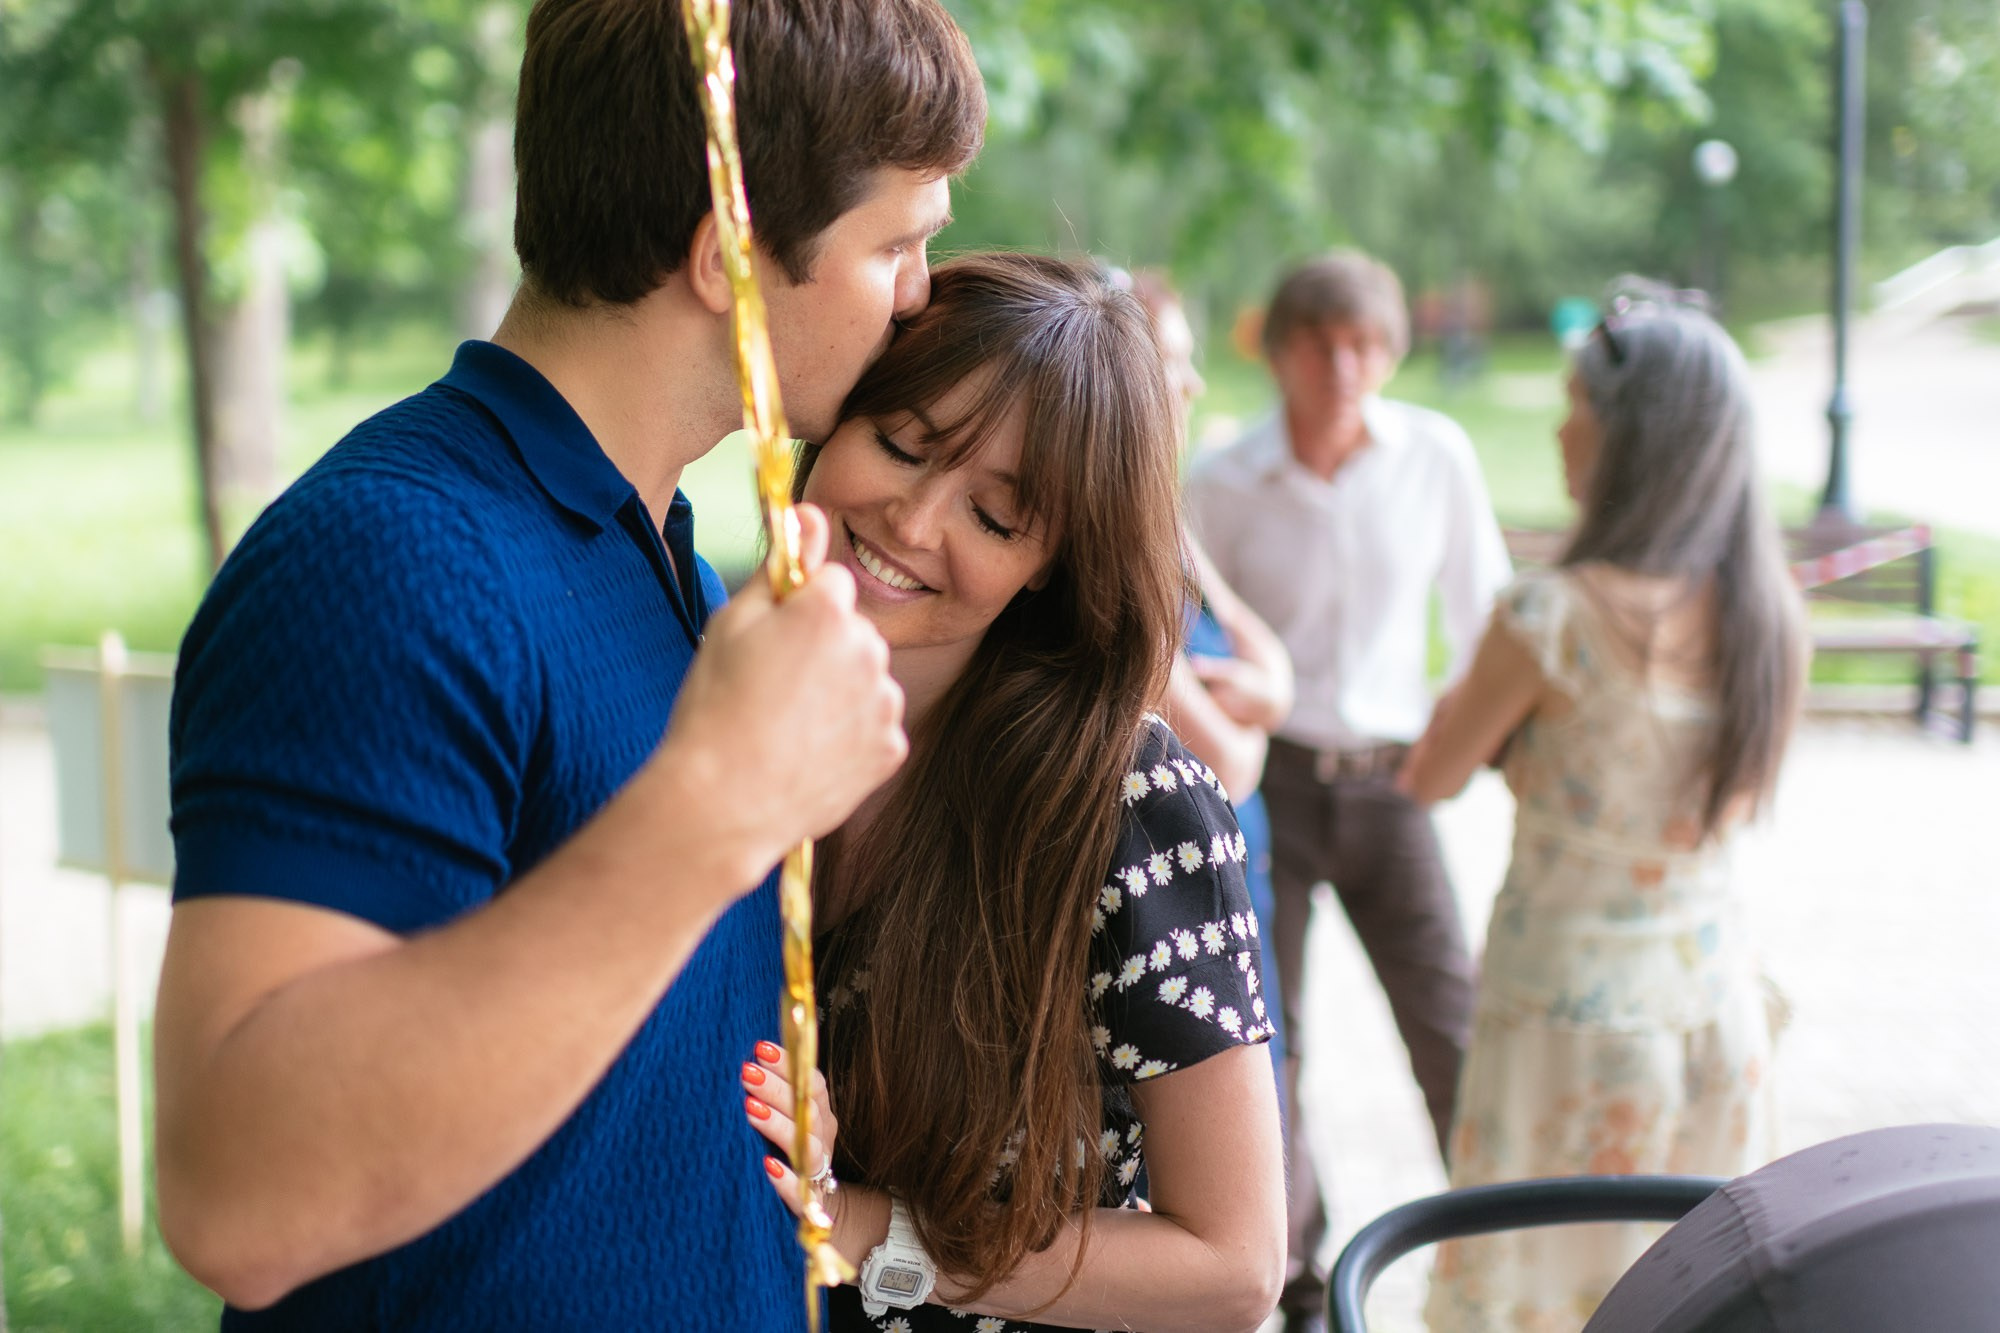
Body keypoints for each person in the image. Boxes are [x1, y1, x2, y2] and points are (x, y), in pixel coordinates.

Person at [152, 2, 984, 1327]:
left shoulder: (663, 553)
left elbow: (572, 994)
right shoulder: (393, 558)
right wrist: (719, 809)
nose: (921, 292)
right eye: (897, 243)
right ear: (727, 259)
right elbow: (234, 1197)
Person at [736, 253, 1286, 1333]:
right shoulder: (719, 689)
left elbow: (1233, 1264)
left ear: (1051, 560)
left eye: (993, 517)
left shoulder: (1130, 805)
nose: (911, 519)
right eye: (898, 443)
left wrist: (867, 1228)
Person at [1400, 289, 1808, 1330]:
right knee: (1689, 1297)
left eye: (1574, 398)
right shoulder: (1767, 618)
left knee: (1533, 1295)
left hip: (1566, 1023)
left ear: (1629, 435)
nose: (1557, 422)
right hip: (1714, 1005)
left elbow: (1427, 776)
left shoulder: (1550, 617)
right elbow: (1736, 797)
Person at [1186, 249, 1512, 1329]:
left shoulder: (1433, 458)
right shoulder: (1224, 480)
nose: (1341, 365)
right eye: (1318, 343)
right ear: (1276, 351)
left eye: (1364, 343)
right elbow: (1197, 629)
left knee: (1447, 1023)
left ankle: (1499, 1249)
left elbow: (1486, 621)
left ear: (1391, 350)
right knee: (1266, 1040)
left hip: (1390, 779)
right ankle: (1297, 1275)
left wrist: (1449, 752)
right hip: (1266, 783)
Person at [1124, 266, 1297, 1084]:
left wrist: (1264, 697)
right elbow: (1226, 761)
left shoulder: (1166, 526)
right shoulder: (1122, 554)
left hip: (1234, 875)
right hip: (1175, 902)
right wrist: (1259, 714)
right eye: (1173, 361)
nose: (1193, 383)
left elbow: (1272, 660)